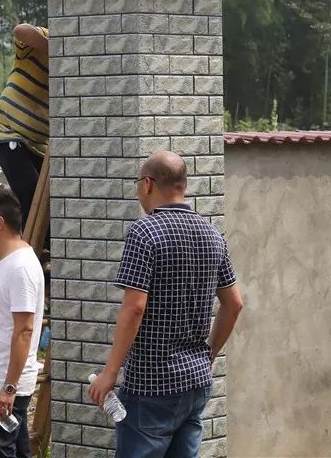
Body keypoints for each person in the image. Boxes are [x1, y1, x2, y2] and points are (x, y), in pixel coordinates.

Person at [89, 151, 244, 458]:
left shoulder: (145, 232)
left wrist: (110, 372)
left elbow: (134, 307)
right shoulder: (212, 235)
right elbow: (234, 303)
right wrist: (208, 353)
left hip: (150, 385)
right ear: (182, 185)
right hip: (196, 381)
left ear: (147, 184)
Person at [0, 189, 45, 458]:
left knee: (0, 451)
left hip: (2, 382)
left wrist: (8, 388)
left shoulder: (20, 267)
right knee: (16, 450)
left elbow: (24, 329)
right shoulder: (9, 262)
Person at [0, 24, 50, 226]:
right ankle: (29, 249)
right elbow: (20, 30)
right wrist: (55, 48)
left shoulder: (79, 65)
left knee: (49, 198)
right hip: (7, 133)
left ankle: (45, 247)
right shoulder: (44, 39)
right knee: (30, 192)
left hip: (39, 145)